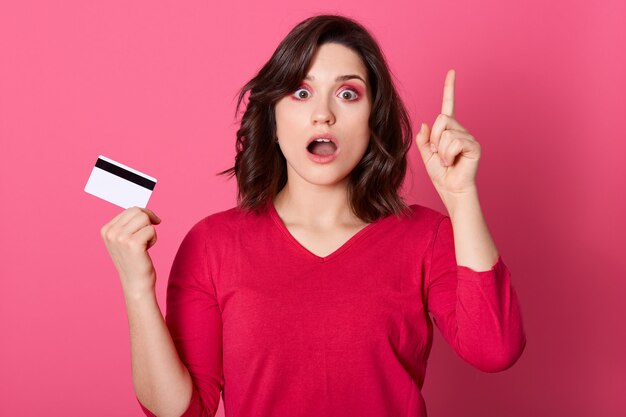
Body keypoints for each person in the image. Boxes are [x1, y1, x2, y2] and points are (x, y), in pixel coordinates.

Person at [101, 14, 526, 417]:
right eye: (301, 93)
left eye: (347, 93)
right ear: (273, 115)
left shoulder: (424, 236)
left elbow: (495, 350)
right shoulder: (212, 244)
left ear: (372, 118)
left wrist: (462, 195)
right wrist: (137, 286)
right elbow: (182, 411)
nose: (323, 113)